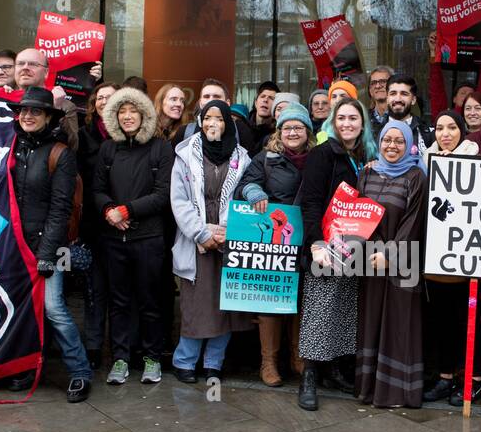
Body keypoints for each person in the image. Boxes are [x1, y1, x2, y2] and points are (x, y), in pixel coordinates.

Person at [6, 87, 93, 402]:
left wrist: (46, 255)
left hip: (52, 245)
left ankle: (80, 372)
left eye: (35, 112)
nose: (27, 116)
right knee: (22, 308)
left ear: (48, 117)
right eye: (24, 111)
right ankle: (27, 367)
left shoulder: (61, 154)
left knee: (54, 308)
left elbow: (61, 209)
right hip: (15, 242)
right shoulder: (13, 149)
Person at [294, 97, 377, 410]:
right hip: (325, 245)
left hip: (353, 243)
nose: (347, 124)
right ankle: (309, 377)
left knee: (343, 309)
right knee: (319, 310)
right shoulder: (322, 153)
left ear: (362, 123)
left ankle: (334, 370)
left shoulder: (366, 155)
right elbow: (311, 201)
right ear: (332, 121)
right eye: (341, 118)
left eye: (353, 118)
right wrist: (315, 244)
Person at [93, 86, 175, 385]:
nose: (127, 117)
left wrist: (126, 211)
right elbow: (97, 190)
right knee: (119, 302)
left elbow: (163, 194)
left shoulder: (160, 148)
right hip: (113, 239)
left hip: (149, 238)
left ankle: (152, 357)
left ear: (144, 114)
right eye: (122, 111)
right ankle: (120, 358)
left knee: (150, 301)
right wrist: (109, 211)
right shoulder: (108, 149)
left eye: (133, 111)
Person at [169, 100, 255, 383]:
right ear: (201, 121)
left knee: (225, 306)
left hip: (229, 242)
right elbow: (179, 201)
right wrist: (202, 233)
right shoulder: (184, 155)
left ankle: (213, 364)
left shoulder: (242, 157)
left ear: (228, 123)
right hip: (197, 243)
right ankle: (184, 361)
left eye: (219, 118)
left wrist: (226, 232)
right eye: (208, 118)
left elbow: (243, 197)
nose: (213, 123)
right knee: (196, 305)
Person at [239, 103, 316, 387]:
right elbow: (245, 183)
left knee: (300, 300)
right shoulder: (266, 158)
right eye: (287, 127)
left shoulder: (317, 157)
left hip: (307, 239)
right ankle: (268, 362)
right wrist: (254, 192)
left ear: (307, 131)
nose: (292, 132)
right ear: (279, 131)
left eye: (298, 127)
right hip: (275, 242)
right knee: (272, 300)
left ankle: (298, 356)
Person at [355, 120, 428, 408]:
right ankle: (368, 389)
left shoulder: (415, 177)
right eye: (387, 140)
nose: (392, 146)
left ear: (408, 144)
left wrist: (391, 254)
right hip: (369, 261)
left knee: (399, 324)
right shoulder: (367, 173)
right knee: (372, 320)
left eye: (399, 141)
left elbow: (414, 220)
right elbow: (358, 213)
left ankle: (397, 393)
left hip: (401, 262)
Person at [422, 111, 481, 405]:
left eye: (451, 127)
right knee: (441, 320)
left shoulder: (477, 159)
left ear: (461, 130)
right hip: (437, 255)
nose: (445, 133)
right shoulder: (426, 161)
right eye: (439, 128)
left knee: (467, 320)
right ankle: (446, 377)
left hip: (467, 255)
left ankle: (473, 378)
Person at [76, 82, 119, 368]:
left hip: (124, 222)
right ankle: (92, 347)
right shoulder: (83, 136)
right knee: (94, 291)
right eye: (99, 97)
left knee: (120, 291)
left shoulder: (130, 135)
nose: (104, 101)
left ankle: (119, 350)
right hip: (93, 223)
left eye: (110, 96)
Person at [14, 48, 80, 148]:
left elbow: (73, 146)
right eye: (20, 63)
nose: (25, 67)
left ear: (46, 72)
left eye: (33, 64)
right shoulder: (1, 100)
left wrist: (55, 110)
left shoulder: (65, 105)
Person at [381, 74, 435, 152]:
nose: (398, 99)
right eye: (393, 93)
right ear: (387, 98)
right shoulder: (373, 132)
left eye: (404, 94)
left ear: (413, 100)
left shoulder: (427, 132)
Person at [248, 81, 280, 148]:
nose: (265, 100)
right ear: (256, 103)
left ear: (276, 106)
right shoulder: (243, 126)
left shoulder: (278, 133)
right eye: (262, 96)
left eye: (271, 98)